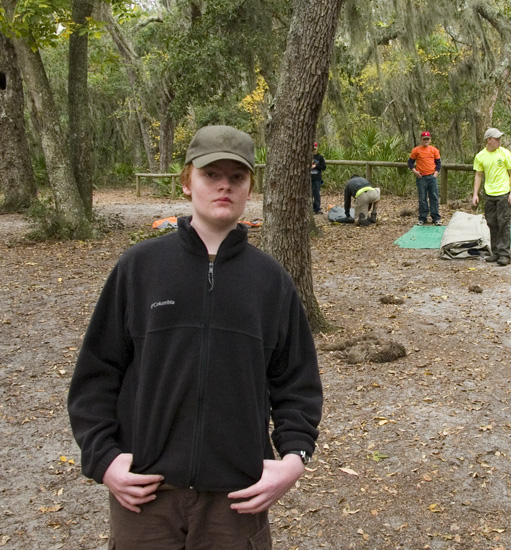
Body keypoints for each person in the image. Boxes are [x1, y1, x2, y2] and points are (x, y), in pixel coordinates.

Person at [68, 125, 323, 550]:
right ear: (187, 182)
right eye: (211, 174)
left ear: (249, 188)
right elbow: (97, 374)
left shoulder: (270, 281)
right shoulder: (140, 268)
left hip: (236, 499)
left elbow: (297, 382)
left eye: (237, 177)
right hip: (146, 497)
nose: (224, 185)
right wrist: (105, 459)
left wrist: (294, 458)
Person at [472, 127, 511, 267]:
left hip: (503, 193)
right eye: (496, 139)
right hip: (489, 194)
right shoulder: (480, 156)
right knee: (492, 222)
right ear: (488, 140)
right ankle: (495, 252)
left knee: (503, 222)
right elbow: (478, 175)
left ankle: (504, 254)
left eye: (499, 139)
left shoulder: (505, 153)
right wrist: (475, 193)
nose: (499, 141)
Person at [408, 131, 442, 226]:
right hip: (421, 177)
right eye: (424, 139)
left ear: (430, 140)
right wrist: (415, 171)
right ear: (421, 140)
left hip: (432, 177)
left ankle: (436, 218)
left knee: (434, 197)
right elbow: (410, 162)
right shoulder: (416, 150)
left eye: (427, 139)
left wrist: (435, 174)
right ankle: (422, 218)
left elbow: (438, 163)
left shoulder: (434, 150)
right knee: (422, 198)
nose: (426, 141)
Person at [310, 141, 326, 214]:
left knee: (316, 193)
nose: (314, 150)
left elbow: (323, 167)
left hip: (317, 178)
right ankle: (310, 208)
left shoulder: (320, 157)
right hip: (309, 178)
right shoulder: (307, 156)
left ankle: (317, 208)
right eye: (312, 149)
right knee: (310, 194)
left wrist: (316, 166)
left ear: (317, 148)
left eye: (315, 149)